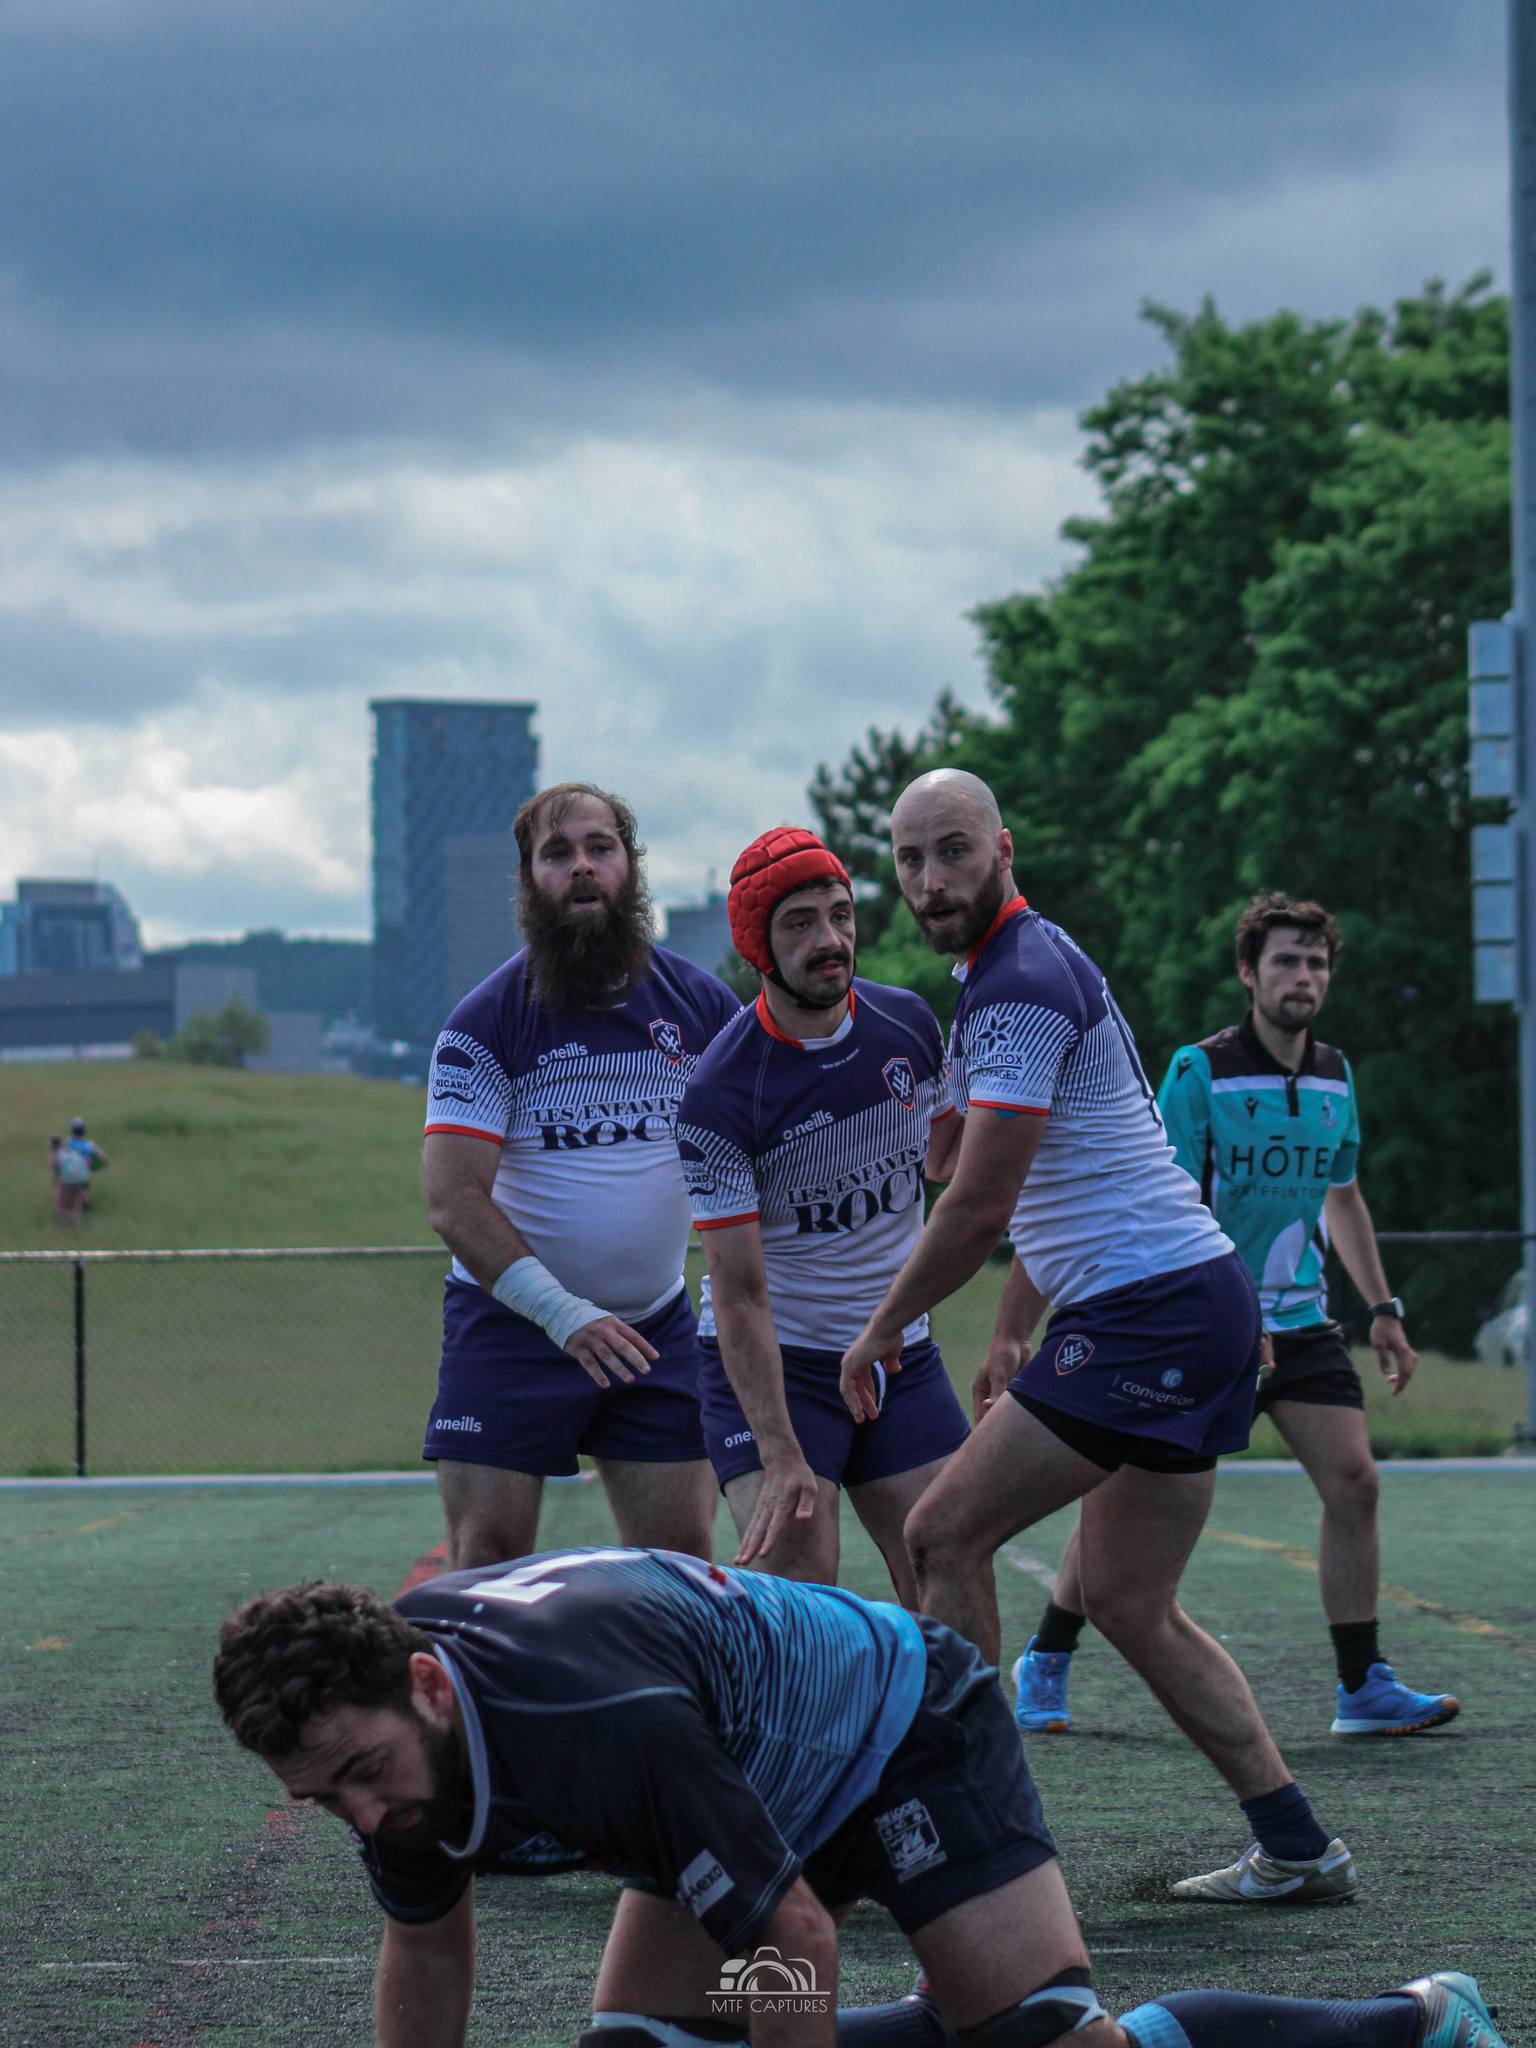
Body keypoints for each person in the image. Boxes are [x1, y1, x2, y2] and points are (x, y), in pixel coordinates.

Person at [212, 1556, 1506, 2048]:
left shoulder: (588, 1730)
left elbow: (793, 1943)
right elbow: (426, 1943)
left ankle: (1418, 2023)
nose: (363, 1818)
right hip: (736, 1770)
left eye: (362, 1776)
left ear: (431, 1691)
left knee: (1044, 2044)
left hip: (898, 1726)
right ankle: (951, 2006)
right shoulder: (390, 1748)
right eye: (321, 1798)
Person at [839, 770, 1354, 1905]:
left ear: (1003, 849)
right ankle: (1299, 1842)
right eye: (912, 858)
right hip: (1182, 1298)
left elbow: (975, 1206)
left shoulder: (1016, 982)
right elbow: (961, 1158)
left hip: (1149, 1308)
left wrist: (878, 1329)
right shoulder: (1009, 973)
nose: (931, 879)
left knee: (939, 1535)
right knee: (1126, 1599)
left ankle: (990, 1852)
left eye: (955, 851)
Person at [1014, 896, 1457, 1743]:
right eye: (1287, 962)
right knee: (1125, 1503)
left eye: (1317, 963)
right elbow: (1162, 1193)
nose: (1304, 978)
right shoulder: (1201, 1070)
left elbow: (1344, 1194)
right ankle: (1048, 1654)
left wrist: (1385, 1309)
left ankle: (1362, 1685)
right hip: (1204, 1322)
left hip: (1300, 1323)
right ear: (1250, 974)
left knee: (1356, 1481)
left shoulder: (1335, 1074)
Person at [420, 781, 740, 1570]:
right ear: (529, 882)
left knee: (681, 1562)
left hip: (653, 1329)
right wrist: (563, 1316)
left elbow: (757, 1157)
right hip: (513, 1330)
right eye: (556, 854)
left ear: (630, 866)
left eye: (601, 848)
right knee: (486, 1557)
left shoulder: (702, 1006)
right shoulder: (484, 1021)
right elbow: (454, 1201)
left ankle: (672, 1700)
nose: (582, 867)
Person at [675, 826, 969, 1603]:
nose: (830, 939)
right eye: (800, 923)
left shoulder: (907, 1023)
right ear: (757, 948)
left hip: (896, 1355)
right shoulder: (720, 1093)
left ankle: (957, 1730)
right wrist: (778, 1450)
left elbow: (947, 1163)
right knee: (798, 1585)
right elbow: (738, 1294)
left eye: (839, 914)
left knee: (950, 1559)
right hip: (786, 1366)